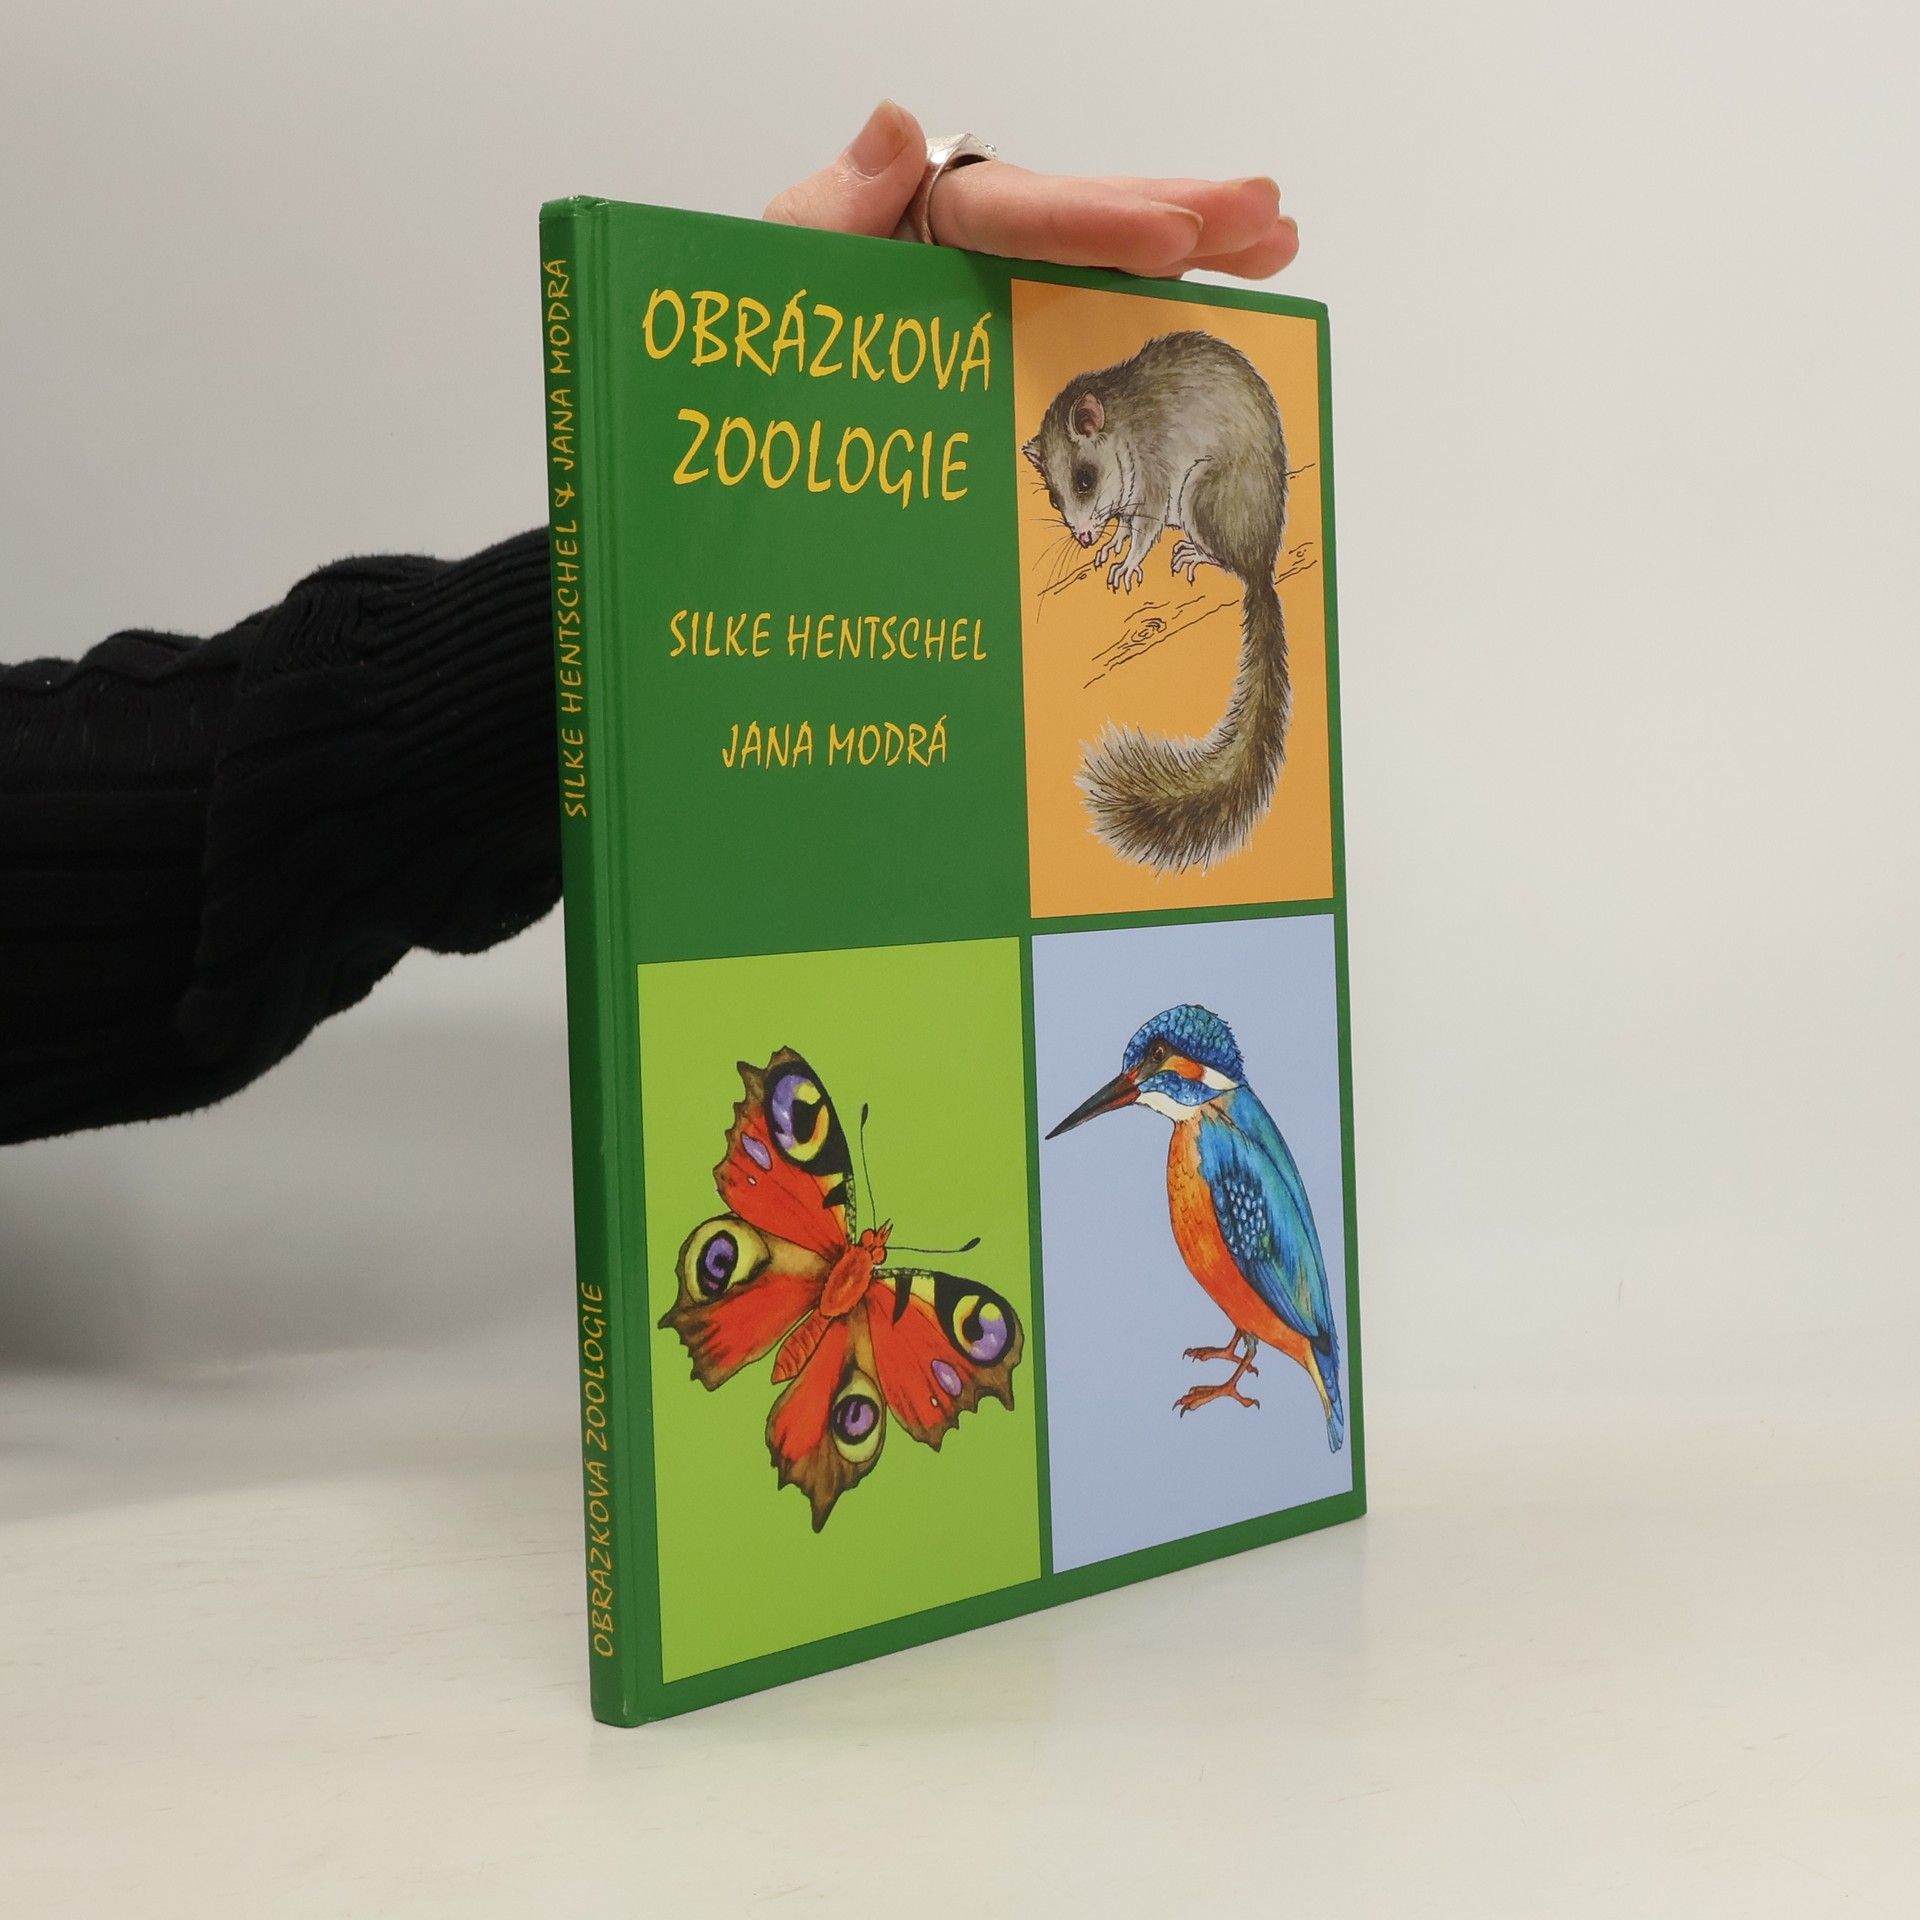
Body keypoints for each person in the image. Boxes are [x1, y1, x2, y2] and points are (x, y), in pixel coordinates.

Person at [0, 103, 1299, 1148]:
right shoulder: (1105, 444)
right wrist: (661, 596)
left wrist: (680, 575)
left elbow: (176, 834)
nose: (1087, 522)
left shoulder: (1151, 436)